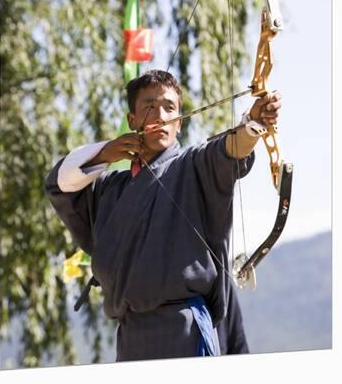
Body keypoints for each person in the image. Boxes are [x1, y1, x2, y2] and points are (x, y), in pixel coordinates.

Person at [45, 69, 281, 362]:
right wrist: (106, 152)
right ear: (132, 121)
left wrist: (253, 125)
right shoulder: (109, 189)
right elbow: (59, 184)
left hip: (184, 330)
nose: (160, 115)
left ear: (179, 123)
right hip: (130, 336)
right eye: (149, 106)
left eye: (169, 107)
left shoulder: (194, 165)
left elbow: (229, 151)